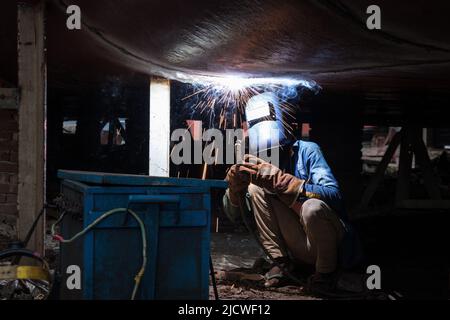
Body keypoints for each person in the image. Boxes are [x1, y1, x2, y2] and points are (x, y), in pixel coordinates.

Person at [223, 140, 362, 295]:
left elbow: (335, 195)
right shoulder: (257, 155)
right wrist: (234, 192)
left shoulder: (308, 150)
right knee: (255, 188)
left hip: (329, 246)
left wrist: (295, 186)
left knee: (312, 208)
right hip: (301, 248)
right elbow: (235, 217)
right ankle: (281, 263)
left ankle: (325, 275)